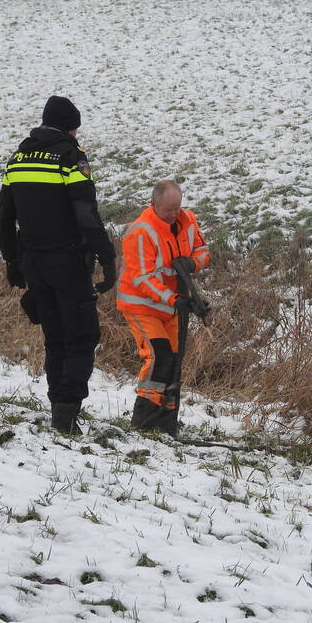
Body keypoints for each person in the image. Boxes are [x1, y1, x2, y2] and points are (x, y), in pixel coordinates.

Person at [0, 95, 116, 434]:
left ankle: (57, 407)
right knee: (82, 336)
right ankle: (66, 413)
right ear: (69, 127)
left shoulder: (18, 159)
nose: (77, 135)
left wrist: (12, 261)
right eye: (75, 129)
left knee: (55, 338)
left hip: (34, 263)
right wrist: (107, 256)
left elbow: (3, 217)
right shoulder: (69, 158)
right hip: (68, 263)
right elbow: (86, 215)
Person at [117, 180, 210, 434]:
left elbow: (203, 251)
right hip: (142, 306)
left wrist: (192, 264)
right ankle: (144, 420)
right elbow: (143, 278)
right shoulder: (140, 232)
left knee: (174, 362)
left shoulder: (187, 220)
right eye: (168, 210)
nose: (173, 215)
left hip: (171, 308)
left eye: (177, 208)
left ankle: (166, 422)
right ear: (153, 204)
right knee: (159, 357)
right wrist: (173, 299)